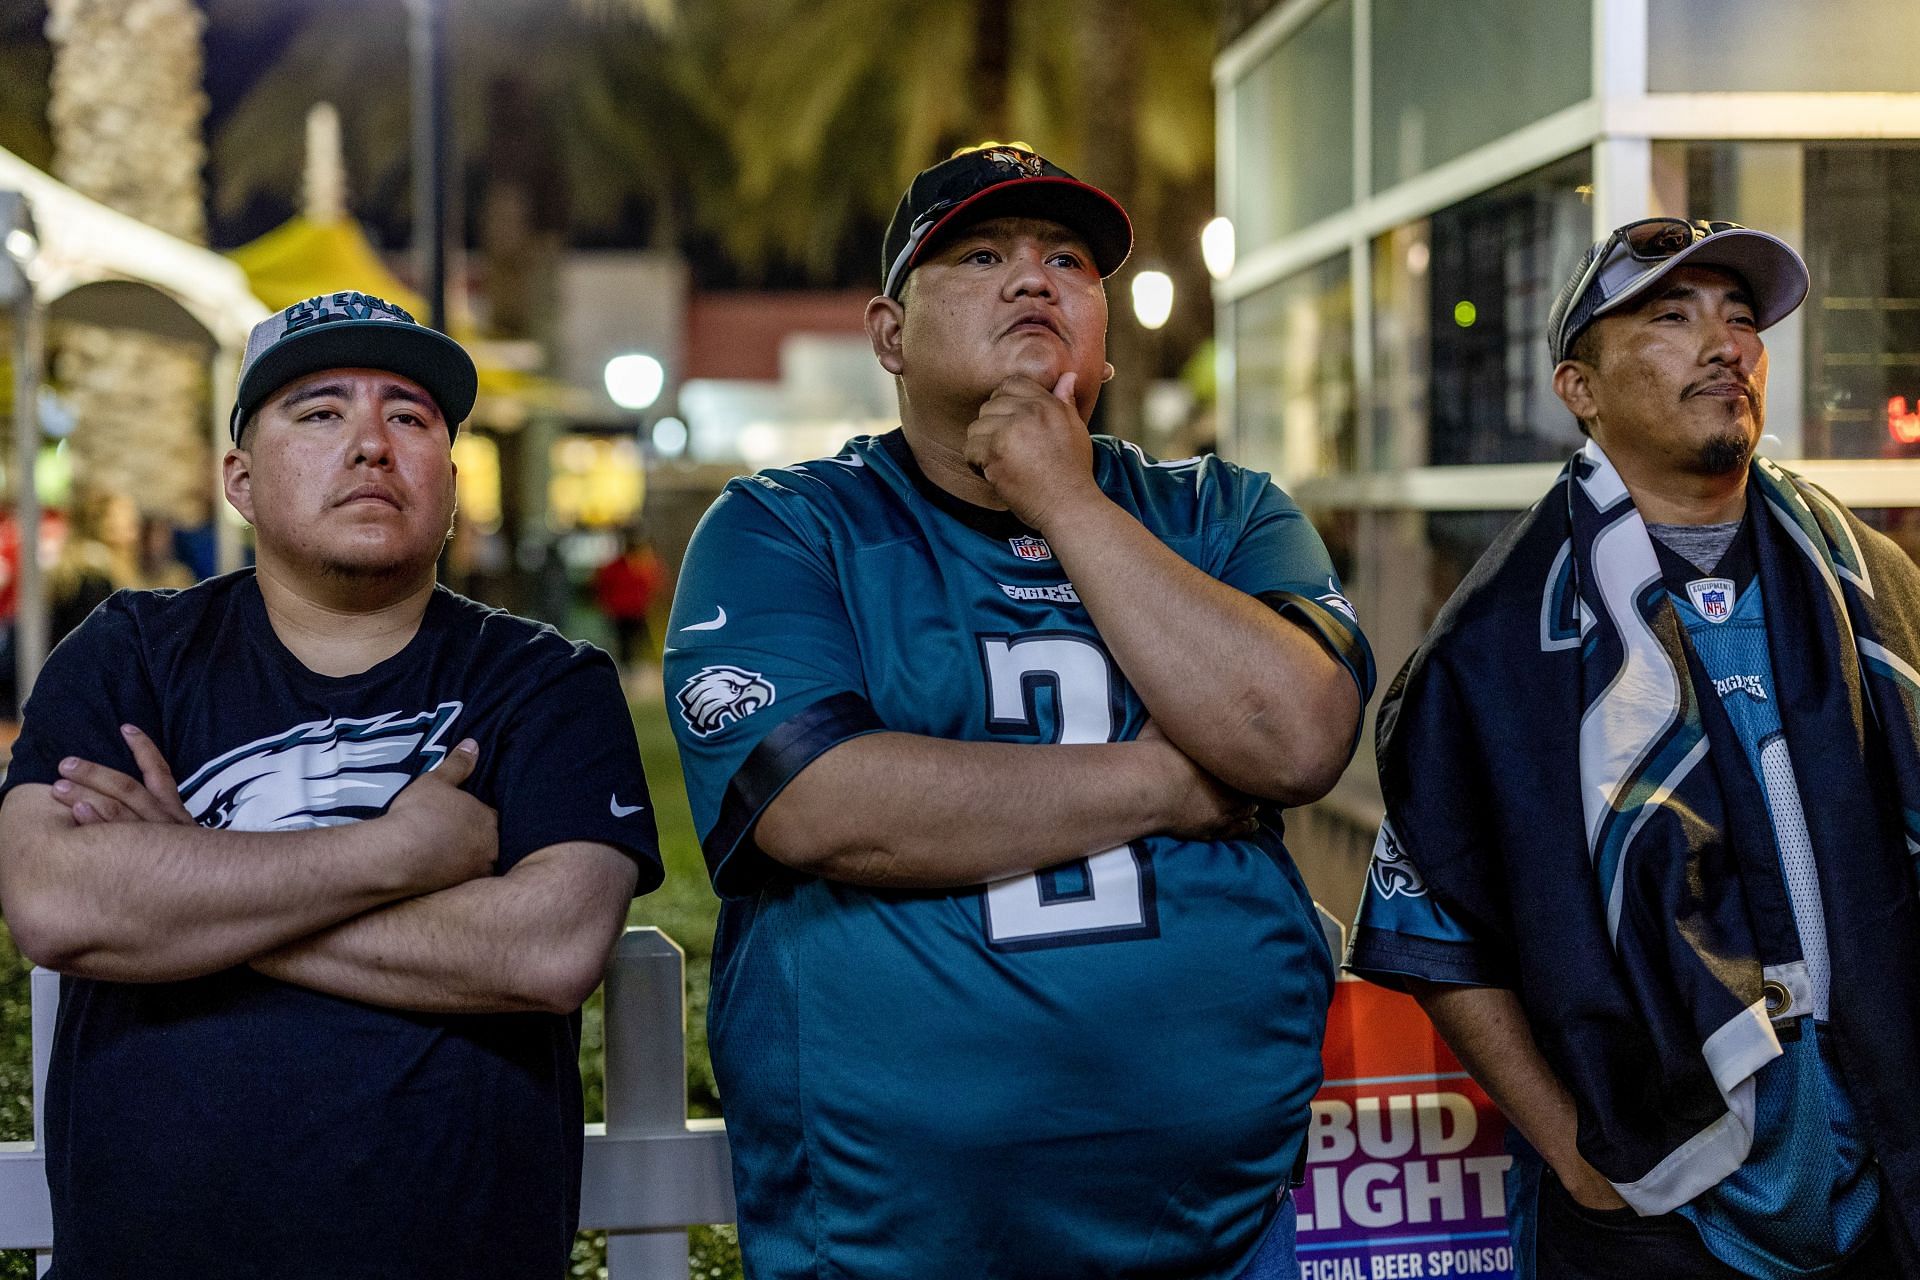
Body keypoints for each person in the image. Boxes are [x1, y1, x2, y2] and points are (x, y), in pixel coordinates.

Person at [664, 144, 1374, 1280]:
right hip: (889, 1236)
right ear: (890, 334)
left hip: (1221, 1228)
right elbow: (823, 804)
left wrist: (1060, 493)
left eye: (1068, 261)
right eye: (982, 254)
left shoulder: (1224, 511)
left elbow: (1298, 734)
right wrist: (1176, 779)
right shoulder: (786, 528)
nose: (1034, 278)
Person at [0, 290, 663, 1279]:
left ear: (449, 476)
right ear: (240, 476)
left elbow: (546, 947)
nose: (370, 443)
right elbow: (58, 901)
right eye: (318, 412)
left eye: (409, 416)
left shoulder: (544, 682)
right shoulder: (131, 651)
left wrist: (187, 877)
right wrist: (395, 854)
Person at [1345, 220, 1920, 1277]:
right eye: (1671, 315)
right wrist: (1572, 1150)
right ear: (1580, 387)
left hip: (1884, 1171)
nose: (1725, 343)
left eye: (1741, 317)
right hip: (1655, 1200)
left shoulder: (1868, 584)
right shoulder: (1503, 637)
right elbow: (1429, 922)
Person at [592, 525, 666, 671]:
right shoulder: (619, 565)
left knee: (637, 644)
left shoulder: (642, 564)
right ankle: (628, 670)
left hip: (636, 610)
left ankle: (635, 670)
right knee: (625, 644)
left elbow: (655, 583)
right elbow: (603, 586)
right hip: (621, 612)